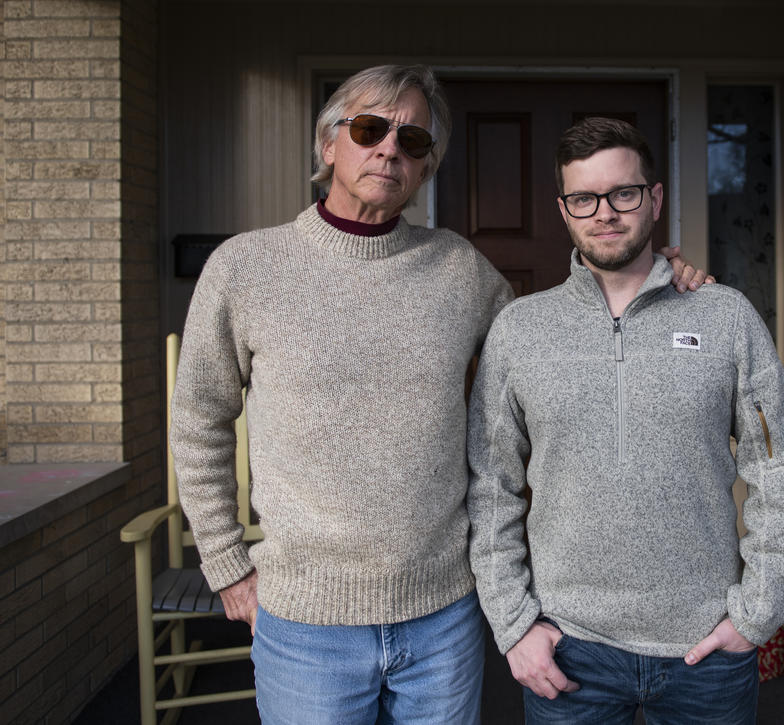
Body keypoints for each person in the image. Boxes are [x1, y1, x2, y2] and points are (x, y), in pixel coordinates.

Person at [171, 66, 709, 724]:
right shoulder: (246, 267)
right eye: (369, 128)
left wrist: (653, 284)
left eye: (414, 139)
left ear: (426, 166)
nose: (390, 148)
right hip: (306, 621)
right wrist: (226, 562)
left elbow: (557, 344)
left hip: (442, 621)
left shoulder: (456, 269)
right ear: (328, 144)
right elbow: (199, 419)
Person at [467, 116, 784, 724]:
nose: (605, 212)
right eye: (584, 198)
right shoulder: (520, 331)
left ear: (653, 199)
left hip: (706, 648)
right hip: (568, 647)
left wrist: (757, 612)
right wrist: (515, 624)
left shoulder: (724, 315)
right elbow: (490, 486)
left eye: (623, 193)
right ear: (564, 210)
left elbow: (776, 467)